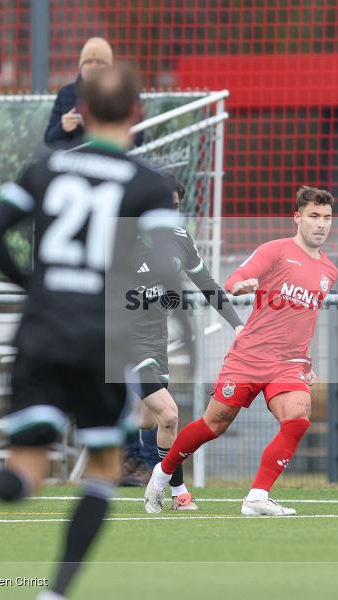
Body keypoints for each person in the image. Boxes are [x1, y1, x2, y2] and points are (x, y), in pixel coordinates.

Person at [0, 63, 180, 600]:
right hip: (97, 335)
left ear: (82, 111)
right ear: (135, 114)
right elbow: (166, 269)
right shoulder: (148, 183)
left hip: (39, 329)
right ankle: (55, 592)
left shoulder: (46, 168)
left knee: (27, 465)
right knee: (102, 467)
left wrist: (34, 286)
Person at [145, 185, 338, 516]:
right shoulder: (276, 250)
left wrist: (305, 361)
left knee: (298, 415)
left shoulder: (329, 271)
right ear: (298, 218)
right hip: (249, 356)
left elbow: (306, 321)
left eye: (327, 218)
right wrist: (241, 285)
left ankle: (257, 497)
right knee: (214, 424)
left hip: (288, 364)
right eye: (314, 217)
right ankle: (161, 476)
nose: (321, 224)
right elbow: (237, 277)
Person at [123, 179, 244, 505]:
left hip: (157, 340)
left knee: (150, 419)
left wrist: (237, 324)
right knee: (170, 414)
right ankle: (174, 492)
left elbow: (207, 284)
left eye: (175, 207)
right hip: (126, 341)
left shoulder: (179, 239)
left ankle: (128, 444)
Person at [43, 37, 113, 148]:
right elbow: (49, 140)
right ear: (81, 66)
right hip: (74, 163)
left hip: (111, 161)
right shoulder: (65, 94)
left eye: (100, 62)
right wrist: (63, 128)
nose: (93, 67)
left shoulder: (123, 94)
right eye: (88, 62)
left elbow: (137, 138)